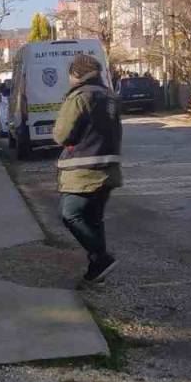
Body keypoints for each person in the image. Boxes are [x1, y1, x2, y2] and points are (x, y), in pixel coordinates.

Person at [55, 54, 123, 283]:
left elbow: (61, 135)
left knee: (70, 214)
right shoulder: (110, 96)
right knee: (94, 220)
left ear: (76, 74)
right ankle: (97, 270)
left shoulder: (80, 96)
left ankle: (102, 258)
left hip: (83, 169)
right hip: (109, 168)